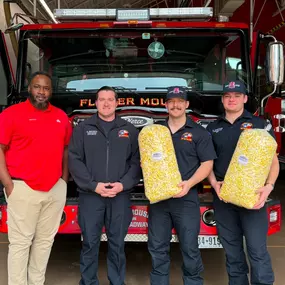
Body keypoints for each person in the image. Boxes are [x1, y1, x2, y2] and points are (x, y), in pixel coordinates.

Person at [0, 71, 71, 285]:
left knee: (44, 243)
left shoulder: (61, 117)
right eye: (37, 87)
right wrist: (9, 185)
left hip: (54, 189)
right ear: (29, 88)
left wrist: (64, 182)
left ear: (51, 91)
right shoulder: (12, 114)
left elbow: (66, 150)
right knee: (20, 244)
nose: (41, 91)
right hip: (22, 188)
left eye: (46, 88)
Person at [206, 80, 279, 285]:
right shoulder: (212, 128)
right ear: (222, 100)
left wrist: (269, 186)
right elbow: (207, 162)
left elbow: (273, 161)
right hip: (224, 198)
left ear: (245, 99)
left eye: (237, 96)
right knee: (232, 252)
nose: (232, 99)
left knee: (257, 250)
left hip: (253, 197)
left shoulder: (260, 124)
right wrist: (214, 183)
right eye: (228, 96)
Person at [68, 86, 141, 285]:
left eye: (110, 99)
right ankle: (88, 281)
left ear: (117, 103)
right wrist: (93, 185)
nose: (106, 103)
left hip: (120, 196)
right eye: (102, 99)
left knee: (117, 244)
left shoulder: (129, 130)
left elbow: (137, 162)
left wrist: (123, 184)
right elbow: (74, 159)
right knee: (90, 243)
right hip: (91, 196)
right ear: (96, 103)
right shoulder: (83, 129)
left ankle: (117, 281)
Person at [148, 86, 217, 285]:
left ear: (186, 105)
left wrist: (189, 184)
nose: (175, 105)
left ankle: (193, 282)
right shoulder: (156, 132)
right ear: (166, 105)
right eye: (171, 101)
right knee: (157, 247)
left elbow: (207, 164)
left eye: (180, 101)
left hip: (186, 199)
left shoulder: (198, 132)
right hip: (160, 199)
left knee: (189, 247)